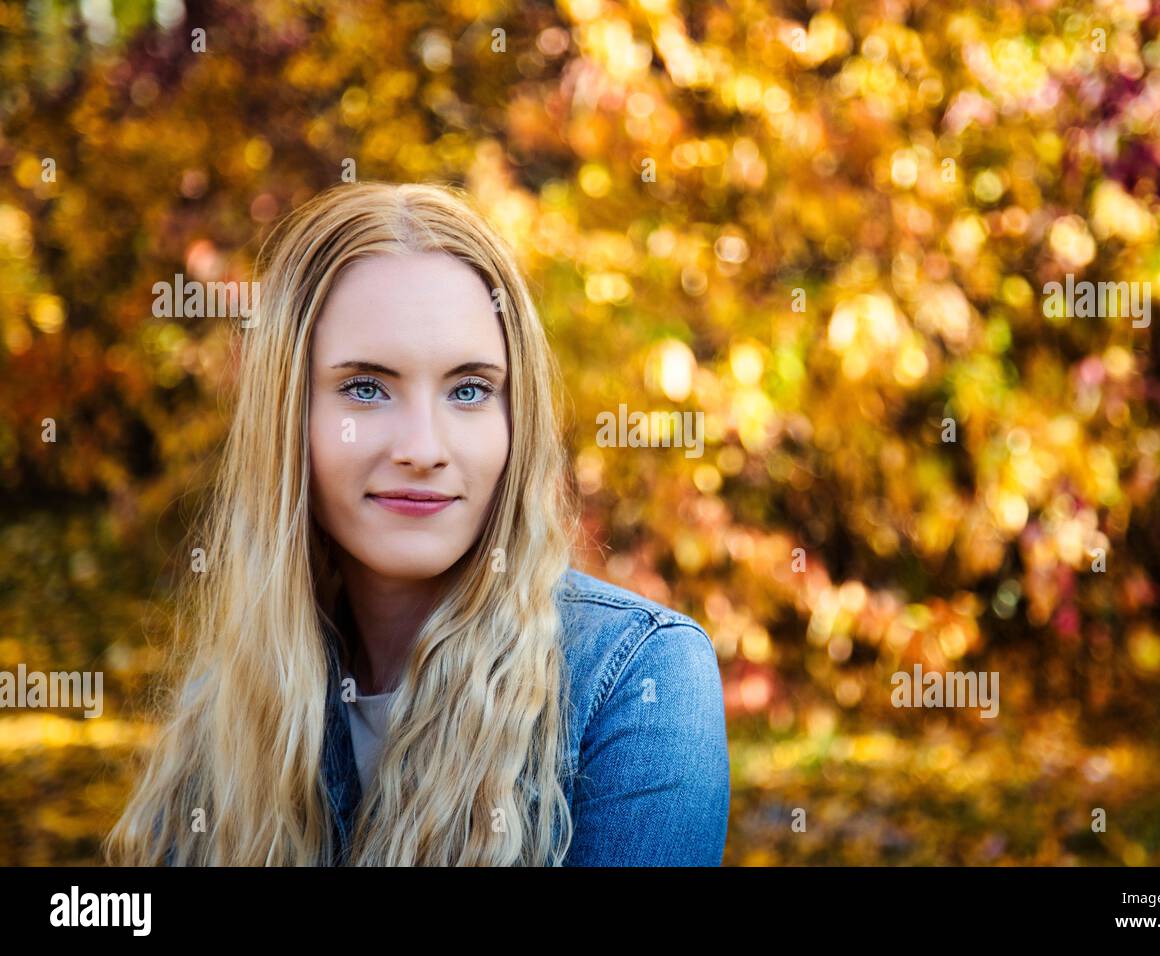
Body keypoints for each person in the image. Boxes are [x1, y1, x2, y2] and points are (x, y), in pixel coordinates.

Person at [103, 181, 730, 866]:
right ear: (289, 417)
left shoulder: (637, 682)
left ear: (515, 420)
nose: (424, 448)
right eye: (366, 389)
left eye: (469, 390)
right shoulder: (232, 702)